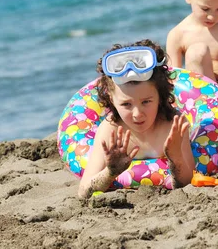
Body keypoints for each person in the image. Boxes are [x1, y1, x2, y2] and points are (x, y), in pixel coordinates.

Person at [78, 40, 195, 198]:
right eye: (126, 104)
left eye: (146, 102)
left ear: (160, 97)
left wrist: (176, 158)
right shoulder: (110, 130)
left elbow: (189, 184)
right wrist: (110, 172)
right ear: (112, 100)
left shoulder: (173, 125)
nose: (137, 114)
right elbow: (83, 191)